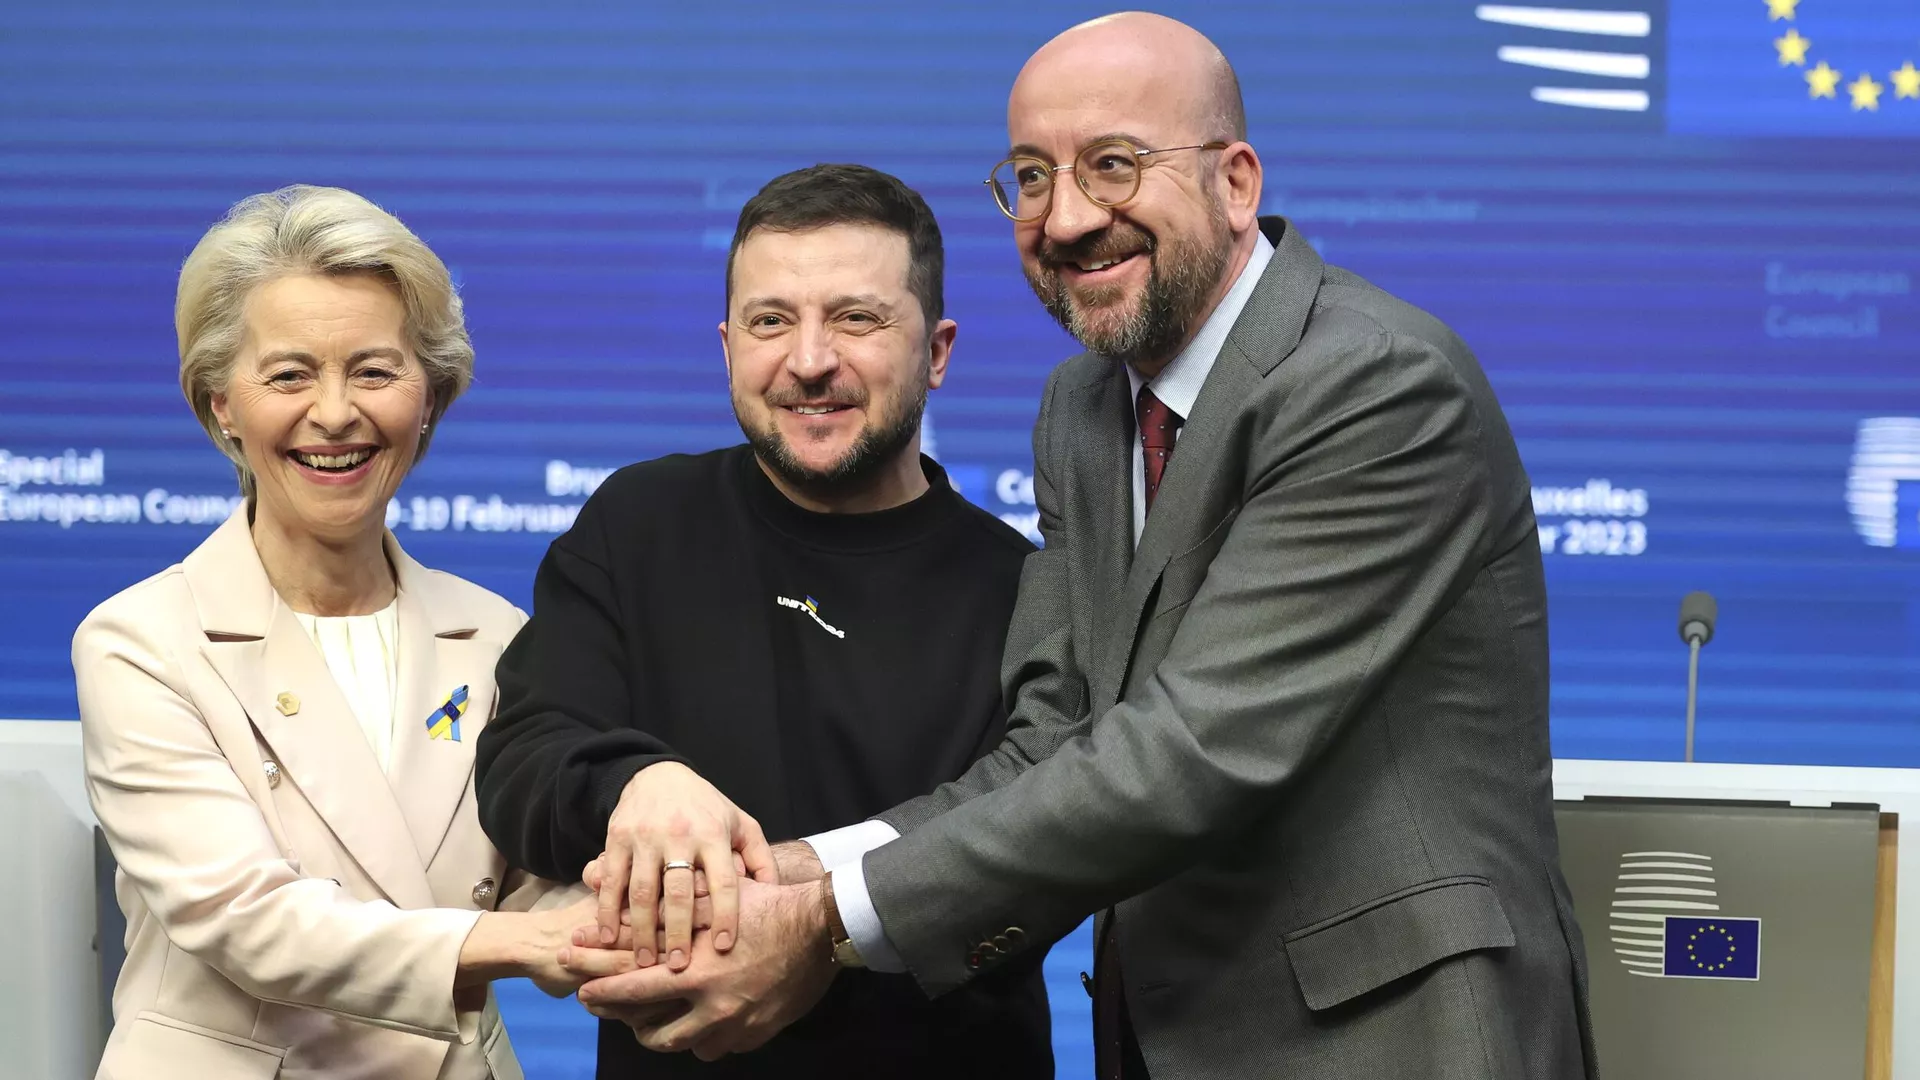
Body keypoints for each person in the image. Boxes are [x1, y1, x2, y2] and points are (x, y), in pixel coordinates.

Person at [565, 13, 1600, 1080]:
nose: (1065, 219)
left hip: (1390, 1038)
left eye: (1113, 166)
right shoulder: (1082, 409)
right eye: (1028, 177)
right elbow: (1059, 734)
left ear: (1236, 182)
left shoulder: (1373, 383)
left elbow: (1193, 749)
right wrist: (787, 873)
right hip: (1164, 1036)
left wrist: (827, 919)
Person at [473, 164, 1054, 1078]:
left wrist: (820, 933)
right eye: (770, 320)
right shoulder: (638, 522)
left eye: (856, 319)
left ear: (938, 351)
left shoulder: (1024, 589)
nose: (810, 360)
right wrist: (637, 782)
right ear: (727, 343)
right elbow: (519, 763)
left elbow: (1027, 855)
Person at [73, 185, 614, 1080]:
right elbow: (249, 920)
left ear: (429, 398)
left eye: (374, 370)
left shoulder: (495, 634)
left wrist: (650, 905)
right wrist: (517, 944)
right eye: (289, 375)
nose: (334, 414)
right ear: (221, 407)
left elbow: (535, 872)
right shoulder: (140, 642)